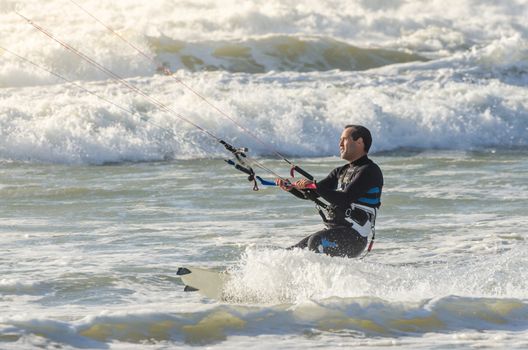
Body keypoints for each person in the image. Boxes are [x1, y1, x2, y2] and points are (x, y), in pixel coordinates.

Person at [275, 125, 383, 258]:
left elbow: (344, 199)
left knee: (315, 241)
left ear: (359, 142)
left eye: (344, 139)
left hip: (354, 238)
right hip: (335, 232)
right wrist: (291, 189)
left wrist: (314, 186)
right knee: (290, 254)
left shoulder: (369, 171)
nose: (340, 144)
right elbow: (313, 194)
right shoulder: (340, 171)